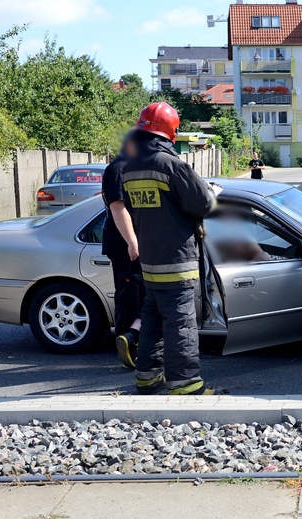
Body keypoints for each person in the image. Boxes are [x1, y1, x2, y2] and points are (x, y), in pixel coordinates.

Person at [122, 102, 220, 395]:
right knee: (181, 325)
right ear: (171, 132)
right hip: (177, 260)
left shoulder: (129, 168)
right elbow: (202, 204)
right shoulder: (172, 165)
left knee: (151, 320)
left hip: (150, 261)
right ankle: (185, 384)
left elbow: (133, 209)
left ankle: (147, 377)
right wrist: (210, 191)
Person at [101, 132, 143, 369]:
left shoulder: (130, 166)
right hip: (125, 246)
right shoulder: (119, 168)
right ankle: (127, 349)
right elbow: (118, 207)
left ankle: (133, 342)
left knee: (140, 295)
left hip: (132, 243)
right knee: (130, 296)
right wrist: (132, 242)